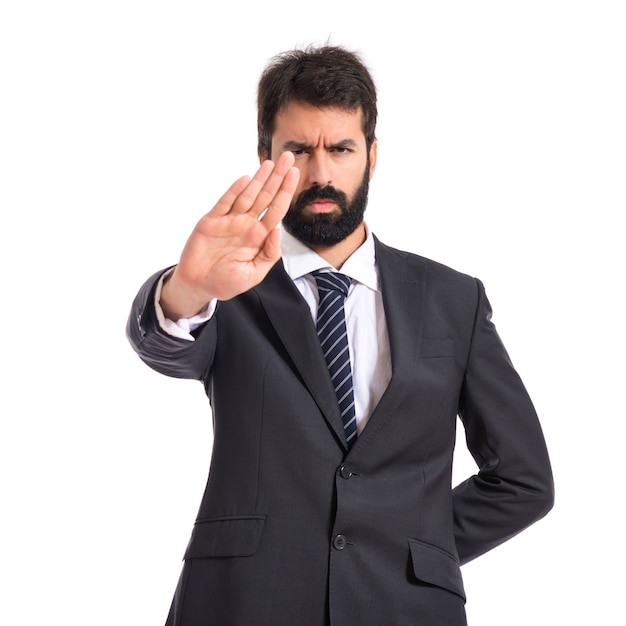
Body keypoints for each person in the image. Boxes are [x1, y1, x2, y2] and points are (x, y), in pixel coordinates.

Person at [126, 44, 554, 626]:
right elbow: (166, 345)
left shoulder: (453, 299)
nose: (322, 173)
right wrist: (186, 288)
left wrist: (411, 544)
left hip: (405, 608)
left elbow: (523, 480)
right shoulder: (229, 286)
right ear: (265, 157)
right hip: (241, 602)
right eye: (298, 150)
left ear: (372, 157)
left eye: (342, 149)